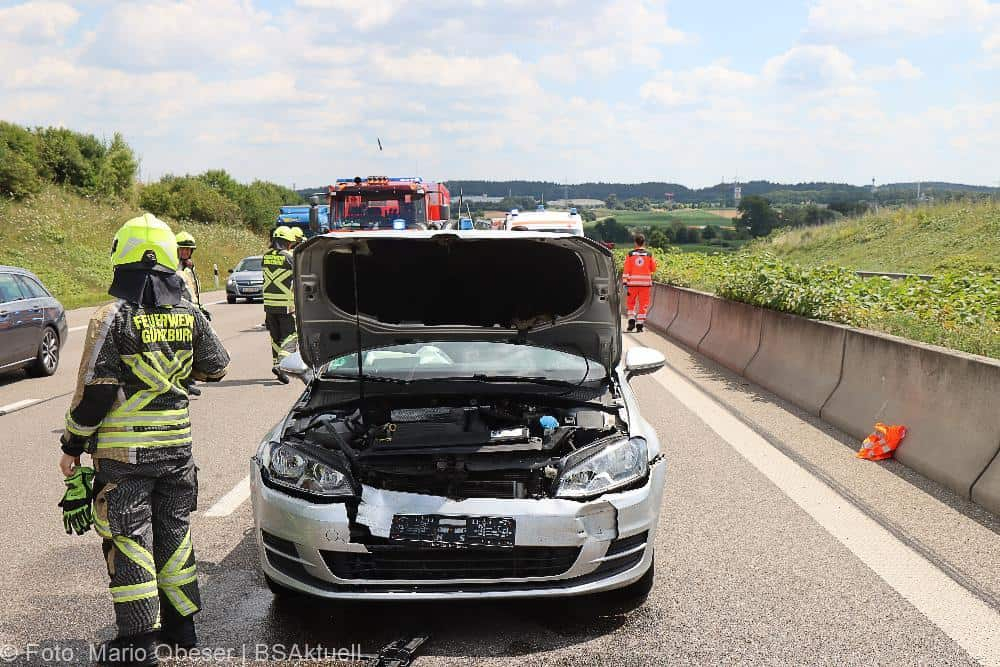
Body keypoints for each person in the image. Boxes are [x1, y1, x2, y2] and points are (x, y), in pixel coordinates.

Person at [59, 213, 230, 665]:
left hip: (125, 456)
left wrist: (72, 446)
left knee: (130, 539)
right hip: (177, 451)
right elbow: (217, 365)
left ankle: (138, 644)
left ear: (121, 257)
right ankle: (183, 628)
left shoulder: (112, 316)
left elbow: (94, 392)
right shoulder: (189, 312)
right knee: (175, 532)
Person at [263, 226, 298, 384]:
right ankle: (283, 364)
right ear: (287, 243)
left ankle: (277, 366)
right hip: (286, 306)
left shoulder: (265, 257)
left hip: (269, 306)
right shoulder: (289, 257)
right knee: (290, 336)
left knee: (275, 338)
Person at [175, 232, 207, 396]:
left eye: (188, 250)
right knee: (182, 347)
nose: (185, 252)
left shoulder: (187, 267)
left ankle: (187, 379)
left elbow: (192, 289)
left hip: (190, 310)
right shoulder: (174, 267)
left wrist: (200, 307)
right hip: (178, 311)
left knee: (190, 347)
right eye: (182, 249)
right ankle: (183, 382)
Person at [622, 233, 657, 333]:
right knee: (643, 304)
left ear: (635, 243)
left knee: (631, 303)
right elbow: (653, 269)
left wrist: (625, 283)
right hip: (645, 285)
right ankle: (640, 325)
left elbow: (626, 270)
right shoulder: (649, 254)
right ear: (644, 242)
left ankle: (631, 320)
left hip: (632, 284)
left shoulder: (630, 254)